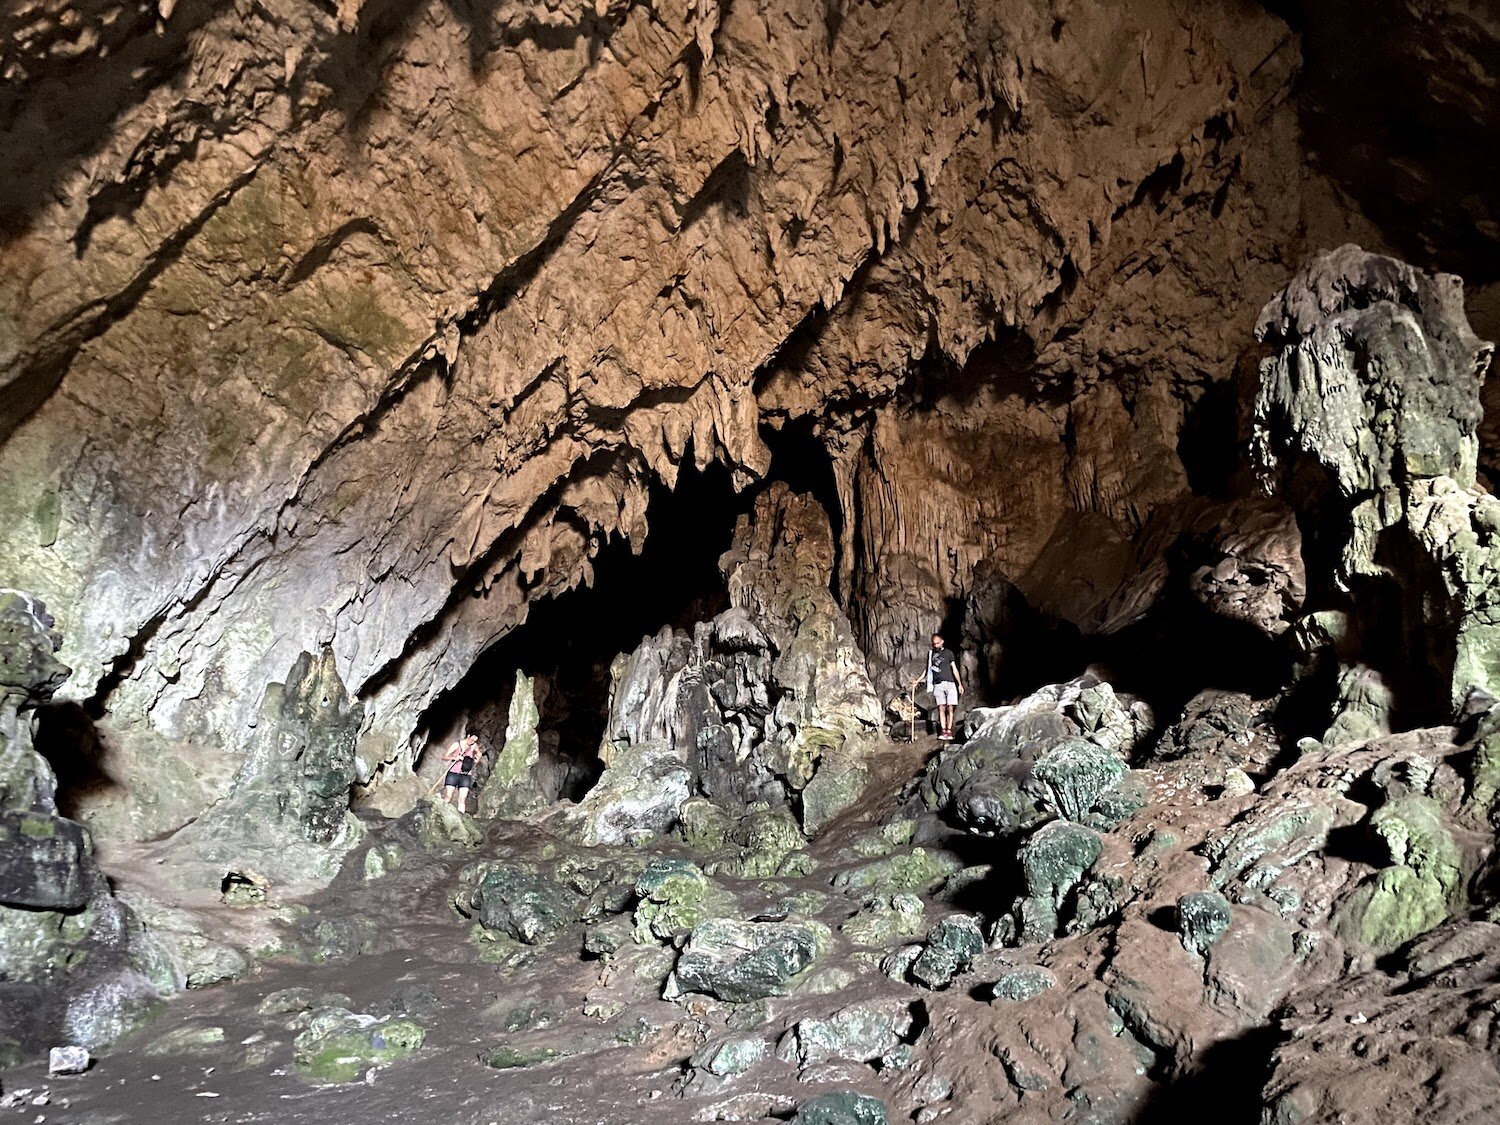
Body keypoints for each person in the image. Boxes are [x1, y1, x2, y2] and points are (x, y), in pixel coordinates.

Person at [913, 633, 963, 740]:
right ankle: (943, 730)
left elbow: (954, 669)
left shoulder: (949, 653)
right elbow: (927, 669)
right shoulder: (931, 654)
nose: (935, 645)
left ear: (942, 642)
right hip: (938, 684)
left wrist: (959, 684)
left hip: (950, 683)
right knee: (941, 707)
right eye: (934, 643)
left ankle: (949, 731)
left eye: (937, 643)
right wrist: (917, 681)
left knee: (950, 707)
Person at [440, 733, 484, 812]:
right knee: (448, 796)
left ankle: (461, 817)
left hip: (465, 775)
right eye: (472, 739)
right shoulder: (457, 745)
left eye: (475, 741)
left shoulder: (474, 746)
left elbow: (478, 753)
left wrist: (478, 757)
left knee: (462, 799)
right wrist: (455, 757)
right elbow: (444, 756)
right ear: (468, 736)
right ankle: (440, 812)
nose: (473, 742)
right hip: (453, 773)